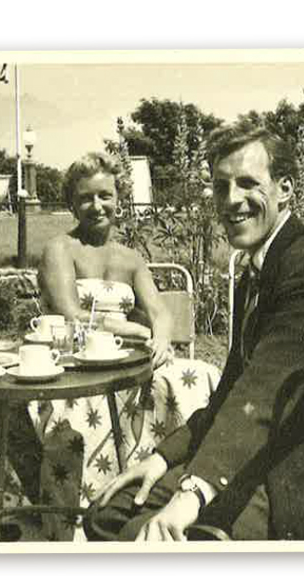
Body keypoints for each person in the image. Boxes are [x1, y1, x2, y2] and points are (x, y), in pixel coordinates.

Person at [84, 122, 304, 542]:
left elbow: (261, 394)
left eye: (247, 184)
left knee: (144, 536)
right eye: (221, 187)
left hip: (299, 484)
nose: (231, 200)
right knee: (105, 514)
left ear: (286, 189)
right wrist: (163, 458)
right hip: (250, 460)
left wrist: (189, 495)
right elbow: (232, 393)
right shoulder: (260, 266)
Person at [28, 152, 220, 541]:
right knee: (78, 415)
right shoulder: (60, 249)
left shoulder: (130, 258)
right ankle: (86, 517)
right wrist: (125, 328)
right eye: (85, 198)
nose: (96, 206)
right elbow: (69, 312)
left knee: (200, 377)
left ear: (119, 199)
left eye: (105, 195)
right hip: (73, 364)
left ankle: (178, 493)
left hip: (126, 367)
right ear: (71, 204)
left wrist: (162, 337)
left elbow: (160, 313)